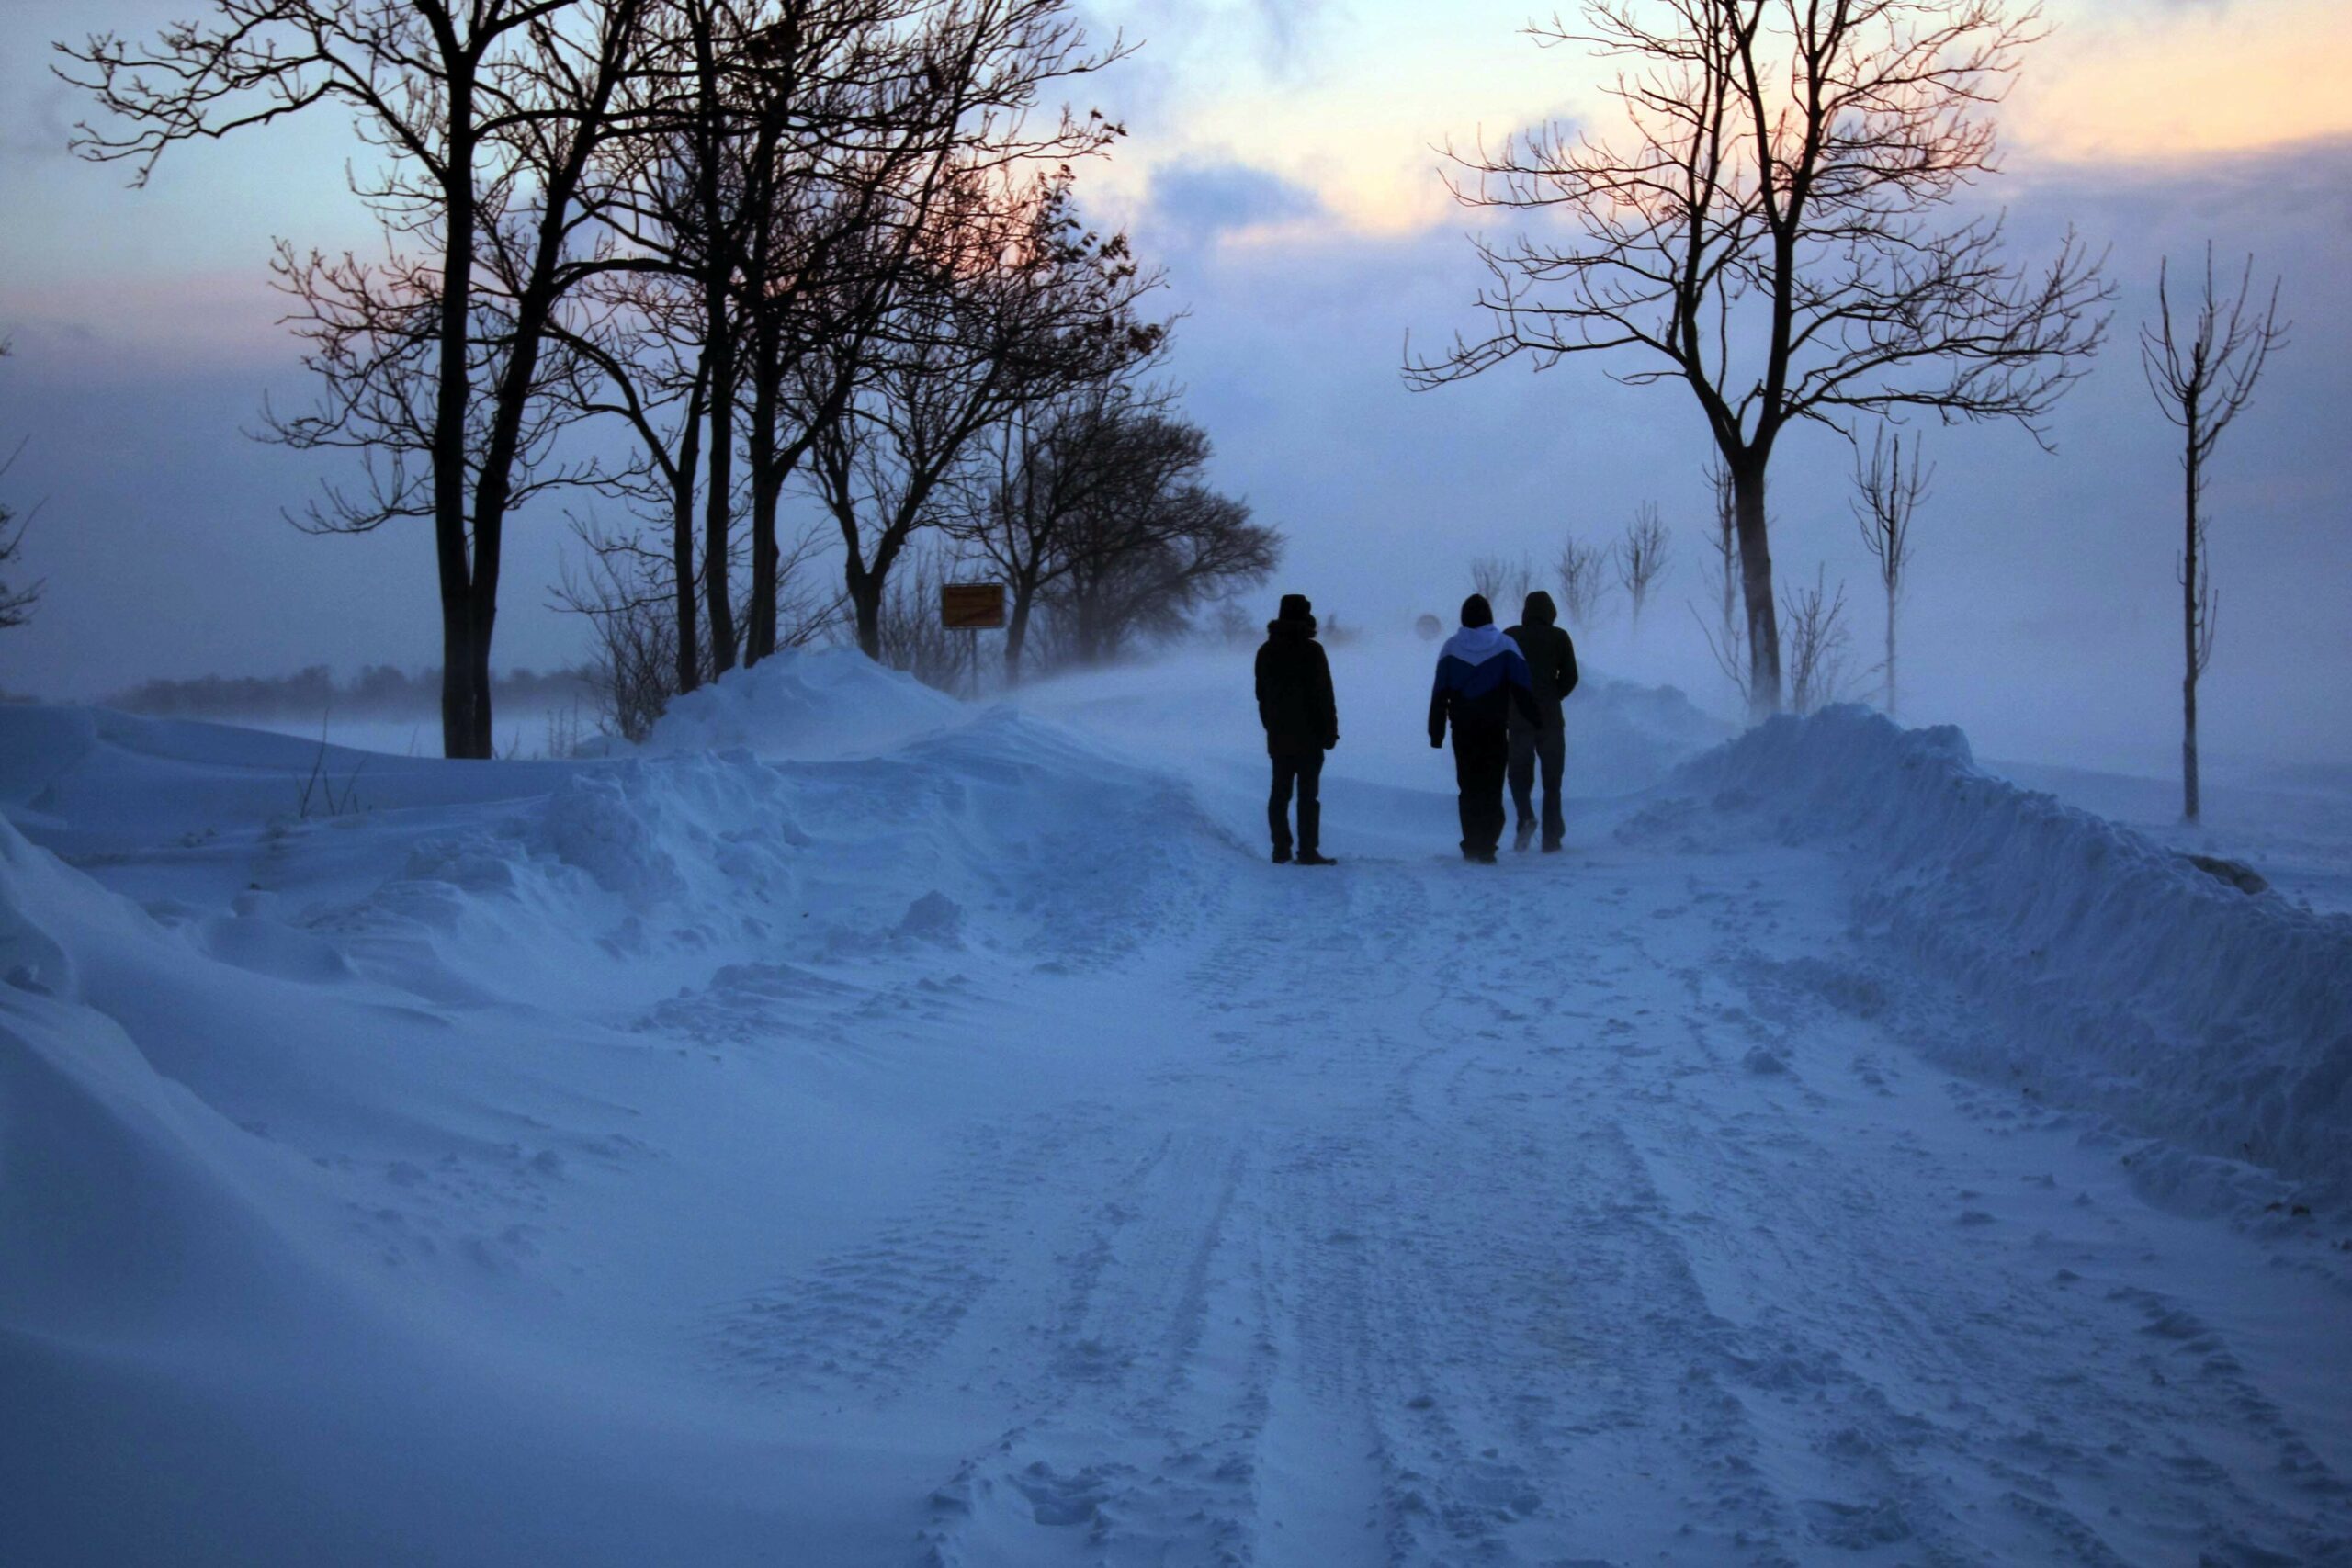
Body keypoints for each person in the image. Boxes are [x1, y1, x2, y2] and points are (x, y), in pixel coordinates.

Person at [1429, 593, 1538, 863]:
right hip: (1494, 728)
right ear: (1489, 617)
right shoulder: (1505, 645)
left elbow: (1440, 693)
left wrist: (1436, 731)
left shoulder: (1451, 648)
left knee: (1468, 787)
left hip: (1463, 730)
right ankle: (1488, 845)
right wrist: (1536, 720)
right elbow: (1523, 688)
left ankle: (1472, 844)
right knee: (1492, 787)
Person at [1255, 593, 1339, 865]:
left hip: (1279, 735)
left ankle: (1280, 848)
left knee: (1279, 793)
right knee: (1308, 795)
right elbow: (1325, 694)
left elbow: (1262, 697)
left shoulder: (1266, 652)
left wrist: (1271, 726)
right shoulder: (1312, 651)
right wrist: (1330, 731)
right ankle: (1307, 850)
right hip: (1311, 736)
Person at [1504, 589, 1579, 852]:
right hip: (1550, 719)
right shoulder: (1559, 637)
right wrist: (1552, 695)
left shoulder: (1510, 636)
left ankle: (1525, 816)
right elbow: (1571, 676)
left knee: (1518, 776)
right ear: (1551, 613)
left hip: (1519, 718)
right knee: (1552, 782)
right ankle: (1552, 838)